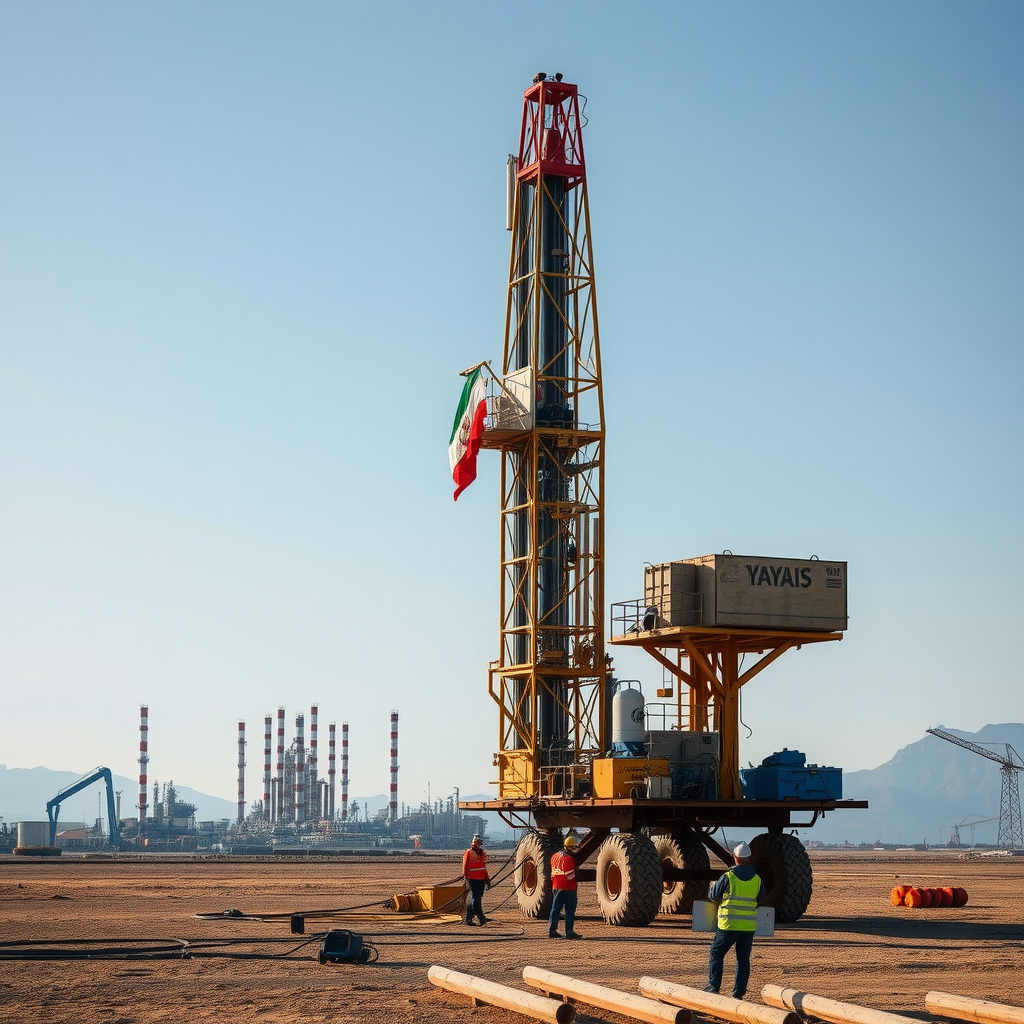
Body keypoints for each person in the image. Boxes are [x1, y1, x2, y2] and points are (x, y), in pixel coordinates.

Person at [705, 842, 762, 998]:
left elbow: (713, 895)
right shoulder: (757, 879)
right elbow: (761, 898)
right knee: (743, 960)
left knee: (716, 954)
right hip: (748, 927)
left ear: (735, 858)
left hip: (729, 925)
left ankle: (713, 987)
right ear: (748, 858)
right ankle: (738, 994)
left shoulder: (728, 876)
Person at [549, 834, 581, 939]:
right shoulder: (568, 859)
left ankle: (552, 931)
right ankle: (569, 932)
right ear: (570, 847)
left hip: (556, 886)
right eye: (575, 847)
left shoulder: (555, 856)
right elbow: (570, 876)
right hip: (568, 888)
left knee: (555, 909)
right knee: (570, 910)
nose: (576, 849)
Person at [462, 834, 490, 925]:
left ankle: (468, 919)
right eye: (479, 842)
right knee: (476, 898)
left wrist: (487, 879)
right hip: (472, 879)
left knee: (476, 898)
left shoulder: (482, 853)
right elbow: (465, 866)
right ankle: (480, 916)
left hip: (481, 879)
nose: (480, 844)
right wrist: (465, 876)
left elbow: (483, 866)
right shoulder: (469, 852)